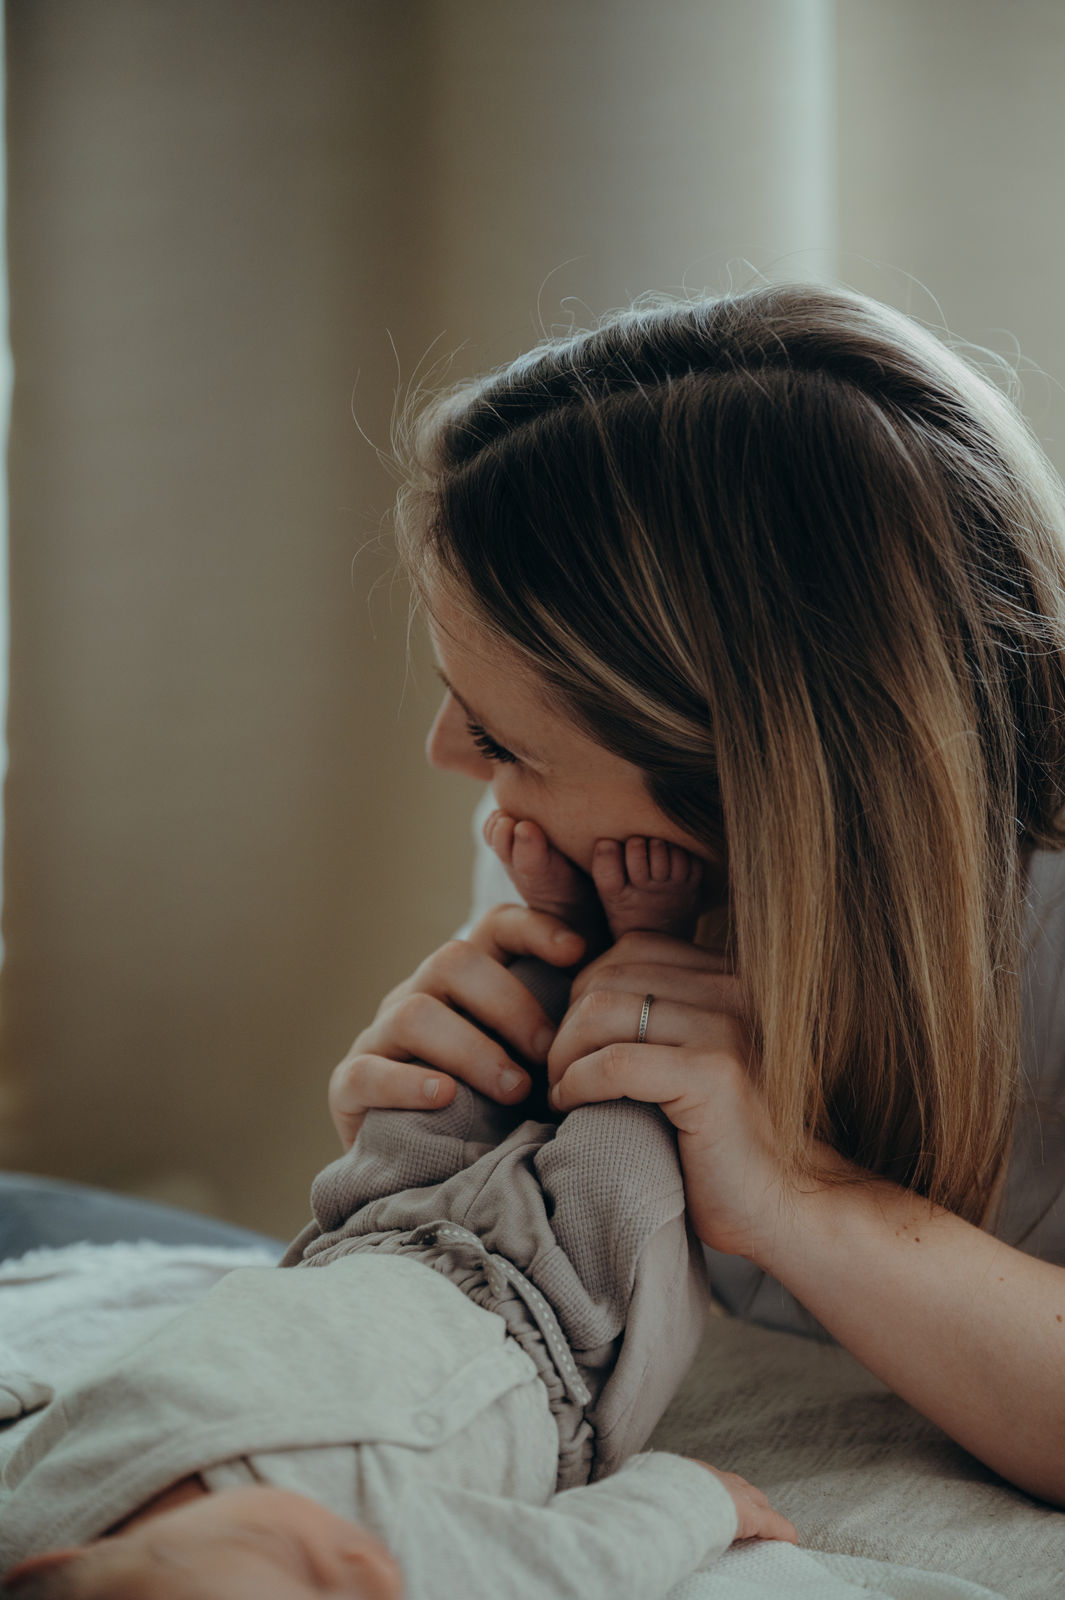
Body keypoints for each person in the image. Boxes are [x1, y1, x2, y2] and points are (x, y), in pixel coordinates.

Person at [327, 281, 1065, 1509]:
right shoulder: (599, 858)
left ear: (751, 781)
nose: (450, 756)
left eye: (505, 736)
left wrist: (798, 1195)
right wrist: (437, 1152)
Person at [0, 840, 796, 1599]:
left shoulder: (34, 1512)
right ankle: (653, 942)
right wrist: (697, 1502)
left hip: (359, 1242)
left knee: (439, 1088)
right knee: (626, 1140)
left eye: (293, 1567)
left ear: (46, 1569)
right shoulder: (401, 1557)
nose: (367, 1575)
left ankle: (559, 934)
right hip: (550, 1328)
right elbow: (584, 1562)